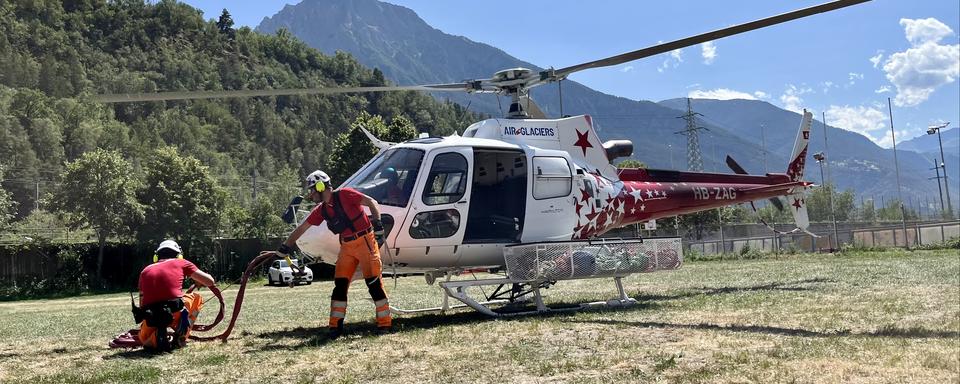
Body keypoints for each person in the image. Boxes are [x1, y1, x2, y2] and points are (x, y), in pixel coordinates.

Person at [271, 170, 390, 339]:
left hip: (365, 241)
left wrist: (378, 224)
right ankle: (335, 327)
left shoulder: (345, 194)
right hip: (347, 246)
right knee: (340, 286)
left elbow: (372, 202)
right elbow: (302, 228)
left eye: (312, 189)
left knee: (373, 283)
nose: (311, 194)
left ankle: (385, 325)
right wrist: (285, 246)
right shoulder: (322, 210)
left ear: (321, 186)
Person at [135, 240, 216, 351]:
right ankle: (181, 335)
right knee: (197, 298)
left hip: (152, 318)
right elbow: (210, 281)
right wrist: (198, 279)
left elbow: (141, 305)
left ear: (156, 256)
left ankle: (155, 337)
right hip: (174, 313)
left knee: (144, 338)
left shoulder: (145, 271)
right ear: (179, 255)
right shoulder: (182, 263)